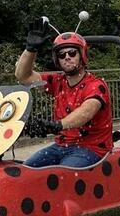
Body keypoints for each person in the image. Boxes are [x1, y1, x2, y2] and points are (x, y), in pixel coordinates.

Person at [15, 19, 113, 168]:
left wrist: (56, 125)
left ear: (82, 55)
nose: (67, 57)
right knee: (27, 170)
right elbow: (23, 76)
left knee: (64, 175)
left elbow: (85, 113)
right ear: (57, 59)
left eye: (72, 53)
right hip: (61, 146)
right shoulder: (57, 81)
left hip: (91, 148)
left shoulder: (96, 85)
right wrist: (30, 49)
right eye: (62, 54)